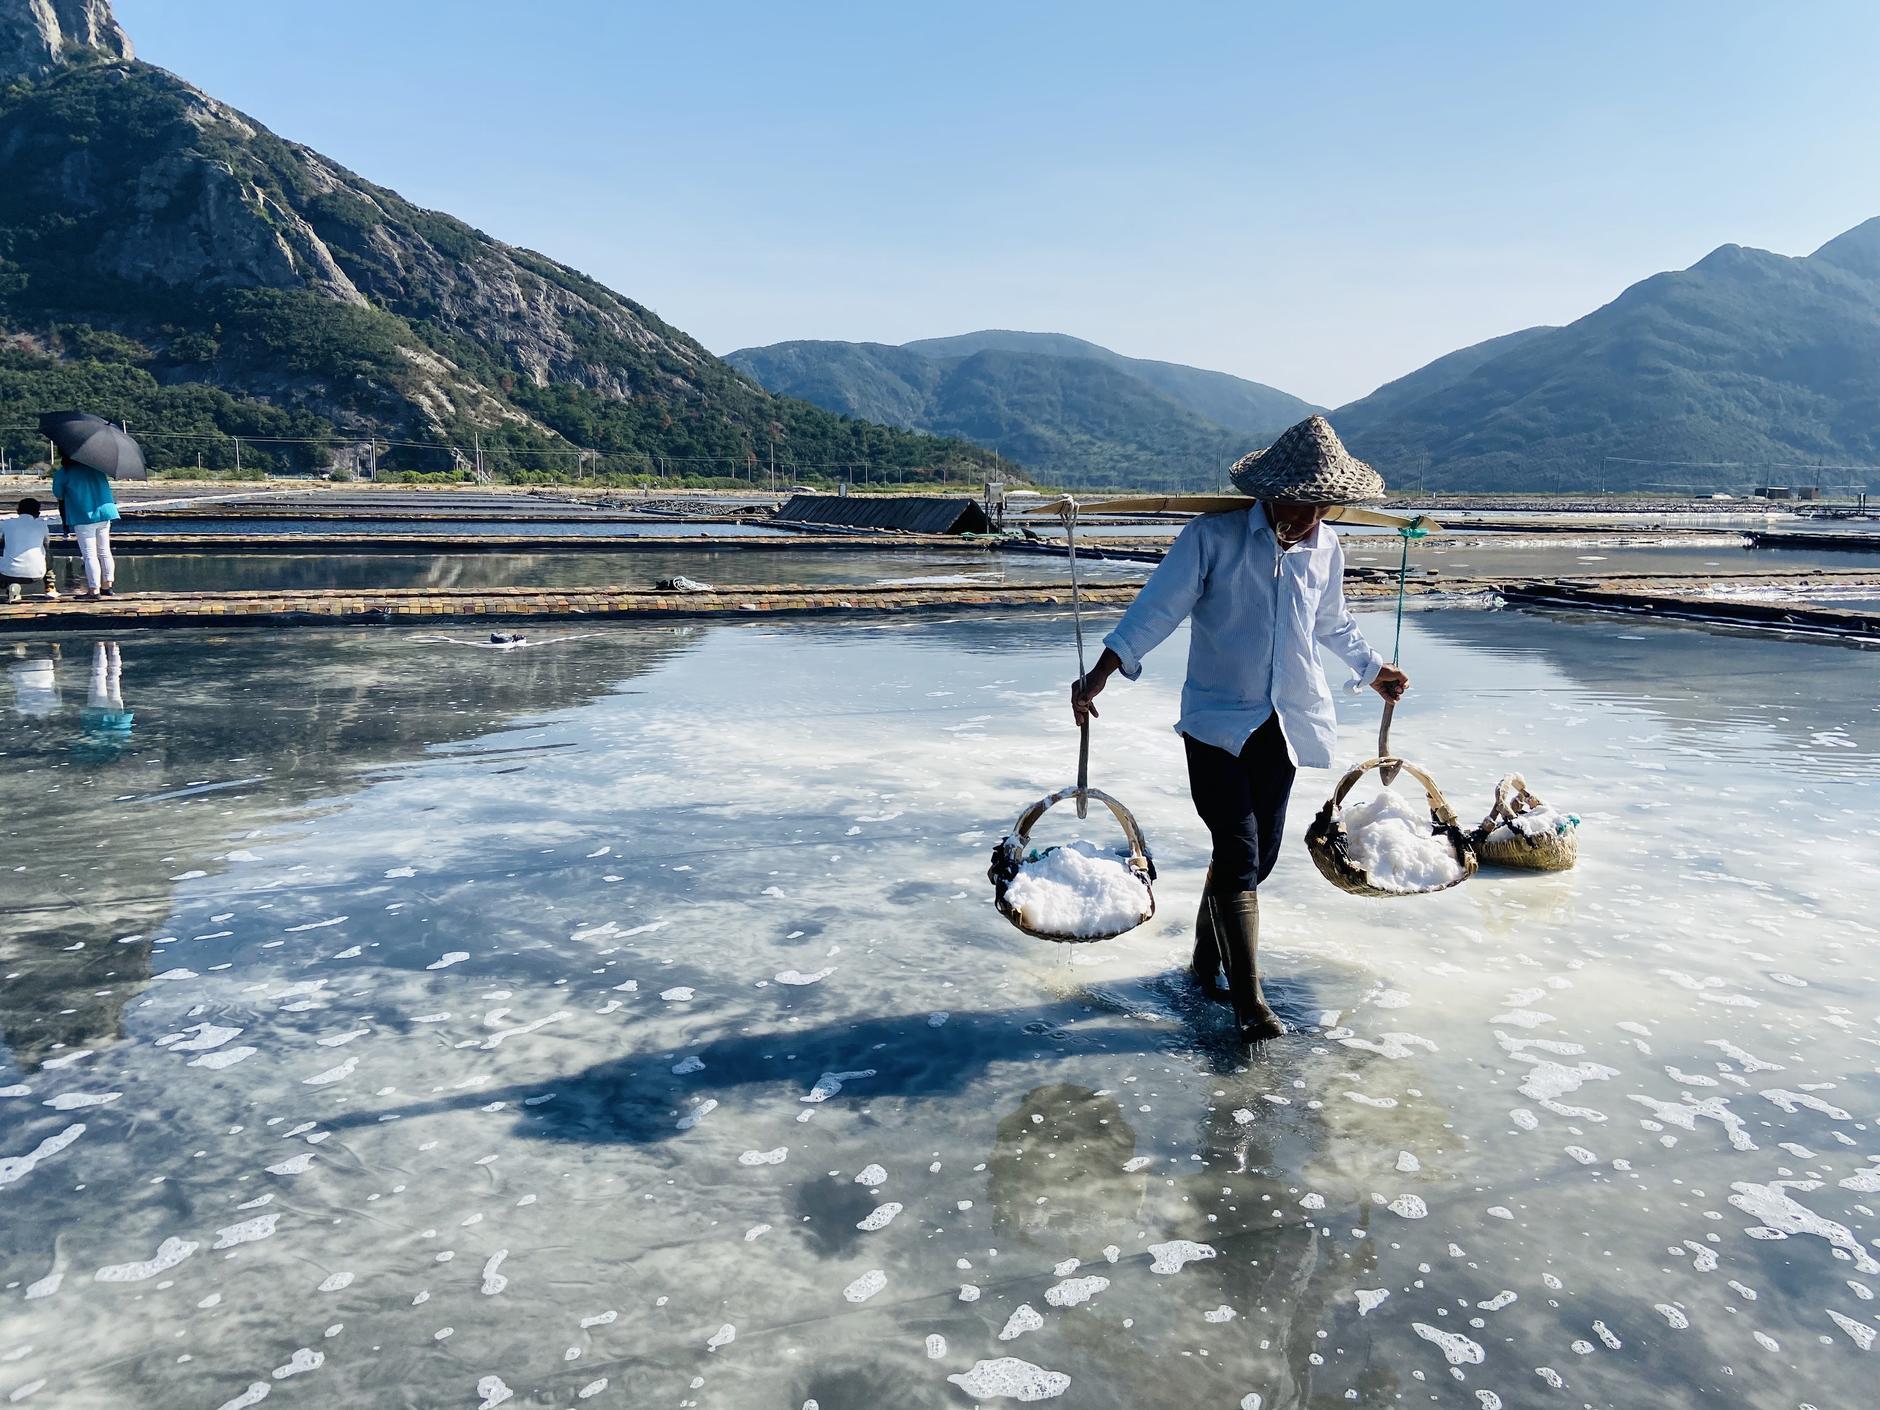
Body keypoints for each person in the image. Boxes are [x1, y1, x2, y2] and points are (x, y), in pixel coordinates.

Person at [1069, 416, 1409, 1046]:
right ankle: (1249, 1001)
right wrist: (1102, 673)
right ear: (1267, 493)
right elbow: (1157, 609)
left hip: (1284, 722)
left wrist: (1372, 669)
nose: (1302, 520)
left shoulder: (1327, 547)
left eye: (1315, 509)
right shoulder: (1213, 537)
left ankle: (1205, 958)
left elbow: (1332, 622)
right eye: (1292, 505)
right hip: (1217, 721)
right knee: (1241, 847)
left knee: (1260, 857)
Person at [50, 454, 119, 598]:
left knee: (89, 555)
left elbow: (58, 494)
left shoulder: (65, 472)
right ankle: (107, 586)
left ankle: (94, 590)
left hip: (83, 514)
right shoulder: (97, 468)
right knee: (105, 551)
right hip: (105, 511)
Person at [1, 497, 56, 603]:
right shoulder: (41, 525)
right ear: (38, 513)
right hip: (36, 574)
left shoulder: (6, 524)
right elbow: (46, 545)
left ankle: (9, 586)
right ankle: (50, 587)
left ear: (18, 511)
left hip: (7, 573)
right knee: (47, 553)